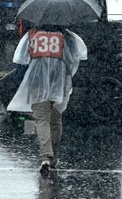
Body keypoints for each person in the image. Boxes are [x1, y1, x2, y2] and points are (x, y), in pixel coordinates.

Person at [7, 23, 88, 176]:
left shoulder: (32, 35)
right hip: (60, 82)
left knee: (41, 119)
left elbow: (21, 60)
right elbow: (78, 57)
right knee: (56, 119)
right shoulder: (68, 36)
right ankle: (54, 157)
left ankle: (46, 156)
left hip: (37, 82)